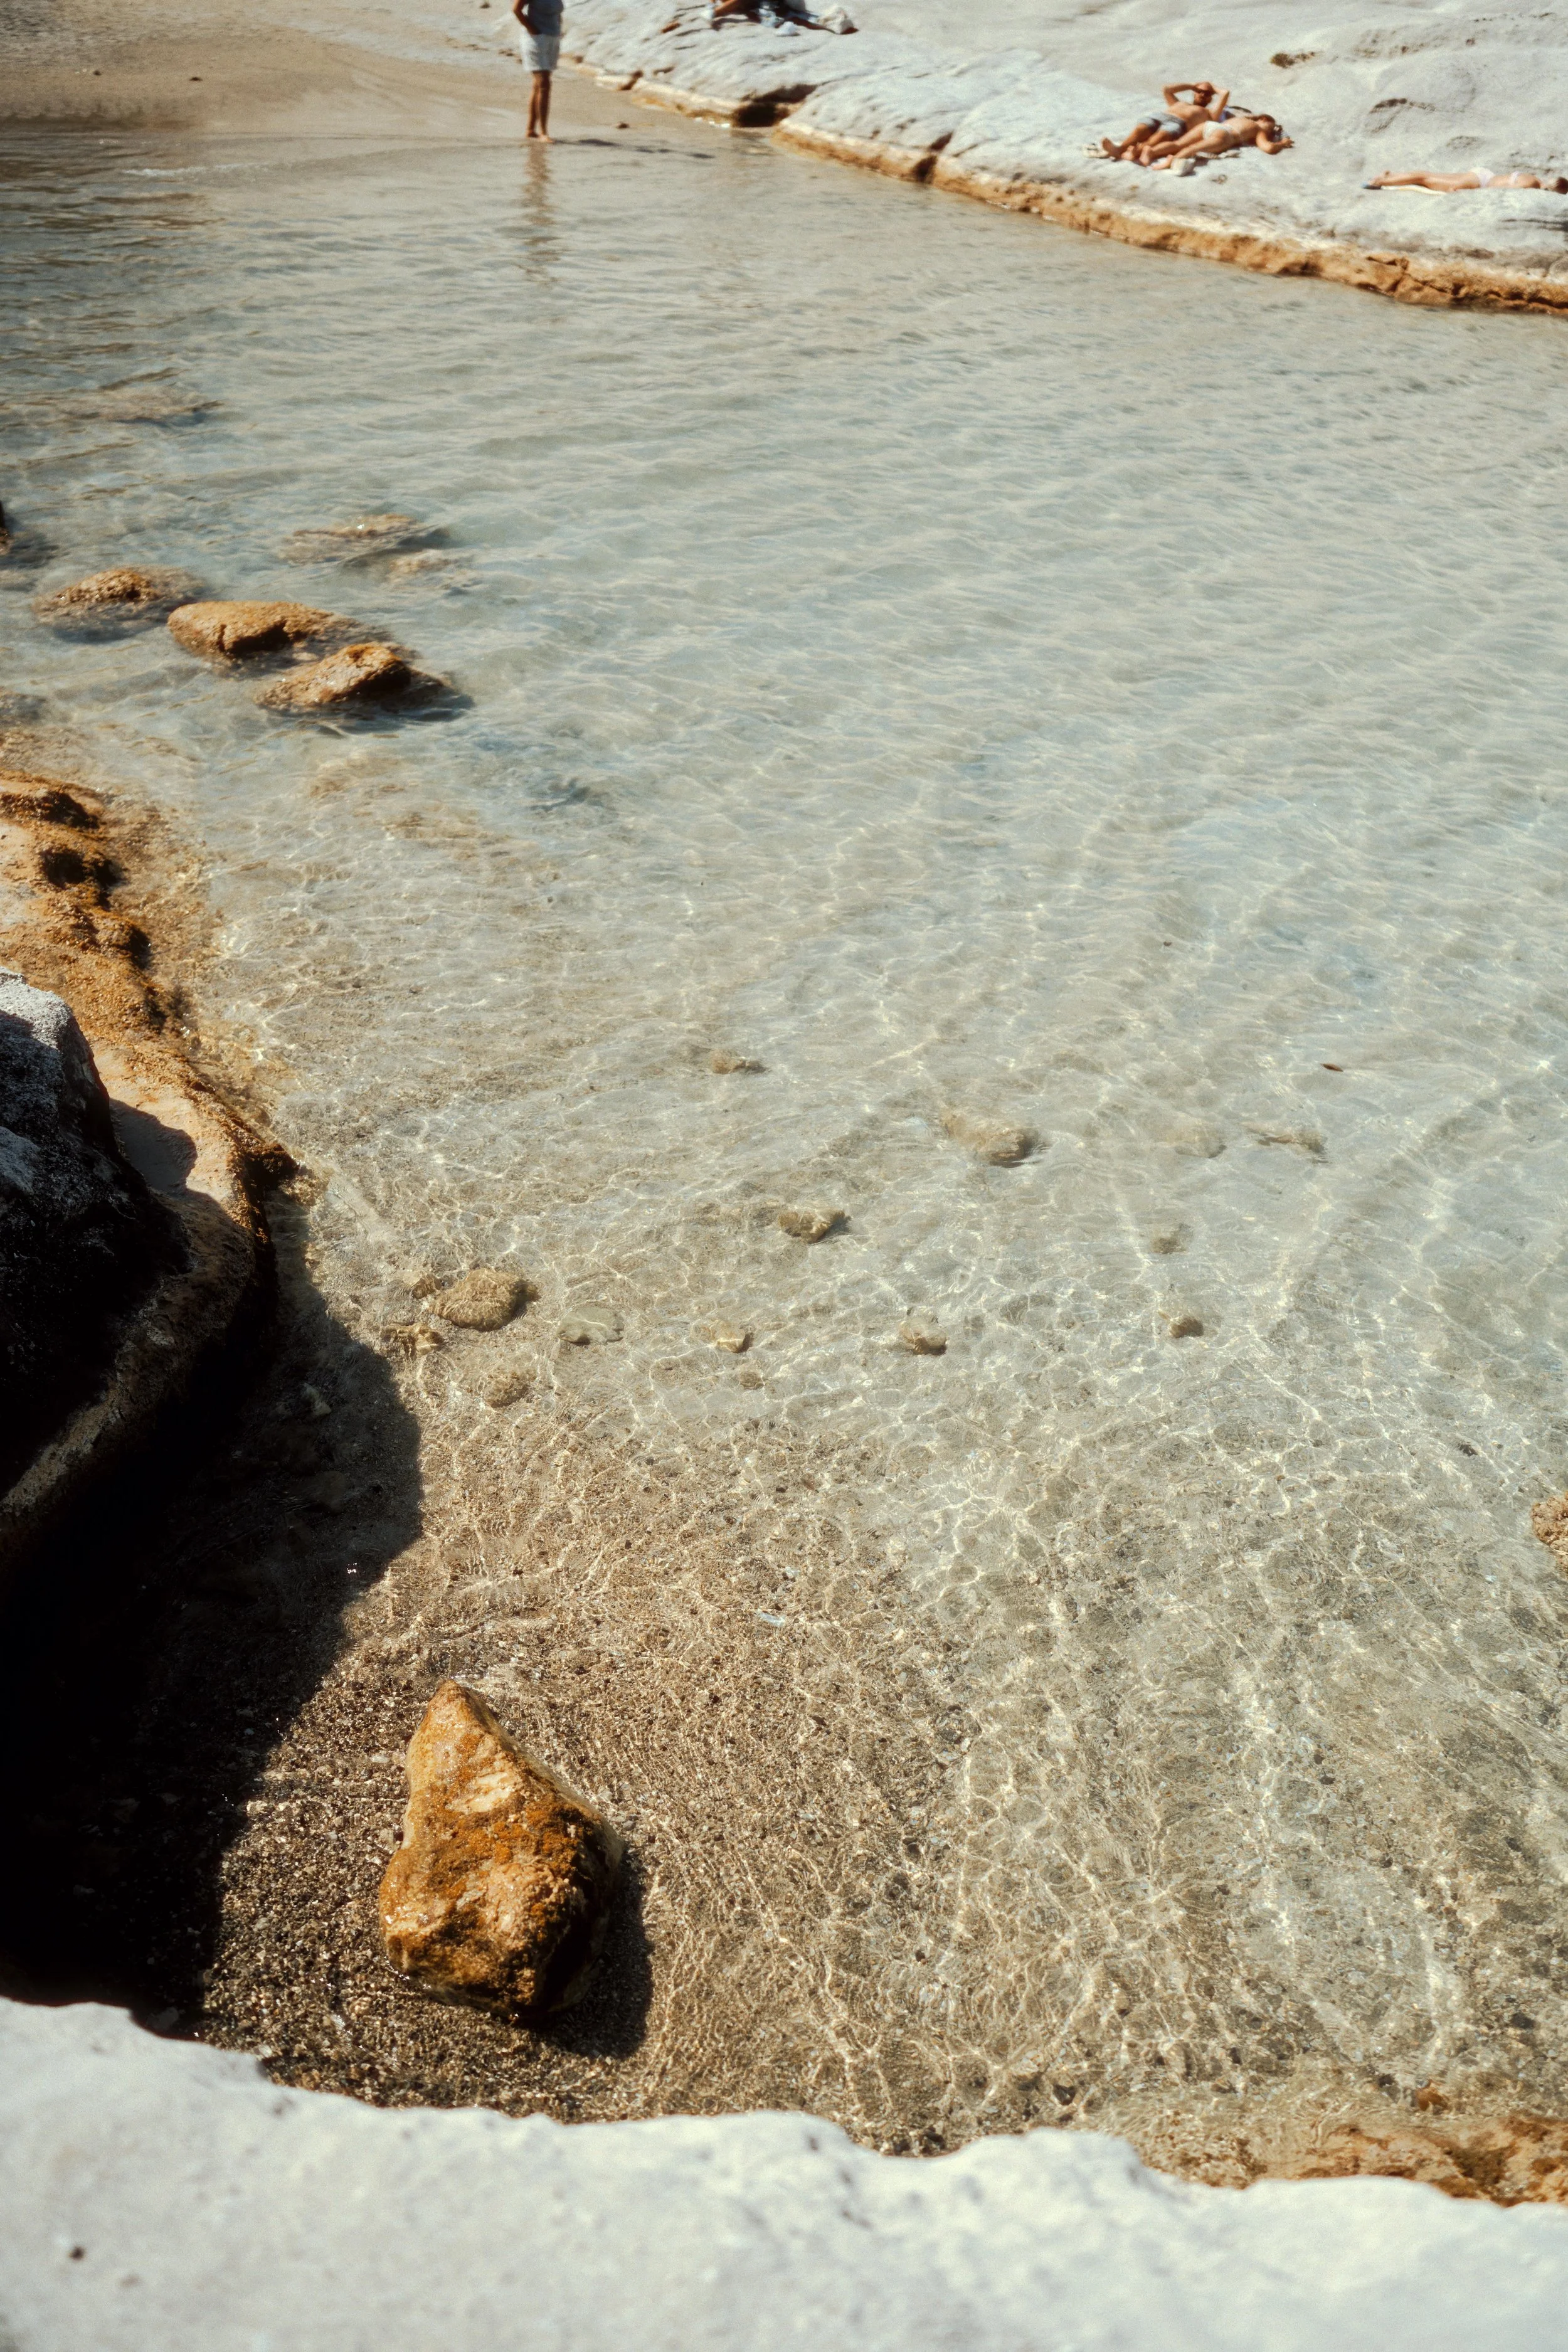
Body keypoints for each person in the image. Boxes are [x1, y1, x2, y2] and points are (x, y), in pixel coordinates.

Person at [1101, 83, 1228, 163]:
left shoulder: (1209, 113)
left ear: (1211, 98)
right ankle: (1120, 149)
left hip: (1179, 124)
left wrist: (1211, 87)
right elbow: (1167, 89)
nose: (1202, 95)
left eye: (1207, 94)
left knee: (1161, 136)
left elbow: (1225, 93)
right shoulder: (1179, 103)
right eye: (1200, 92)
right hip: (1161, 116)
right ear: (1194, 93)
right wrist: (1191, 86)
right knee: (1140, 129)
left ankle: (1136, 152)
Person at [1148, 109, 1291, 166]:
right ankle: (1170, 163)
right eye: (1271, 128)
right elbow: (1269, 148)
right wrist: (1282, 143)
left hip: (1210, 126)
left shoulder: (1242, 119)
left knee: (1178, 144)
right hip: (1225, 135)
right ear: (1265, 120)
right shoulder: (1259, 129)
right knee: (1192, 149)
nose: (1270, 132)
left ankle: (1151, 152)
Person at [512, 0, 563, 140]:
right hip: (535, 40)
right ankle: (544, 132)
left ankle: (530, 129)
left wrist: (559, 30)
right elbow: (516, 9)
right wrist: (532, 29)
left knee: (538, 86)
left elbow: (557, 13)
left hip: (553, 39)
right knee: (544, 84)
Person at [1364, 166, 1568, 191]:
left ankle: (1391, 176)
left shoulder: (1532, 177)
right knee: (1423, 179)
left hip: (1483, 175)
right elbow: (1501, 194)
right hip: (1479, 183)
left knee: (1427, 176)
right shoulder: (1530, 185)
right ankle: (1380, 181)